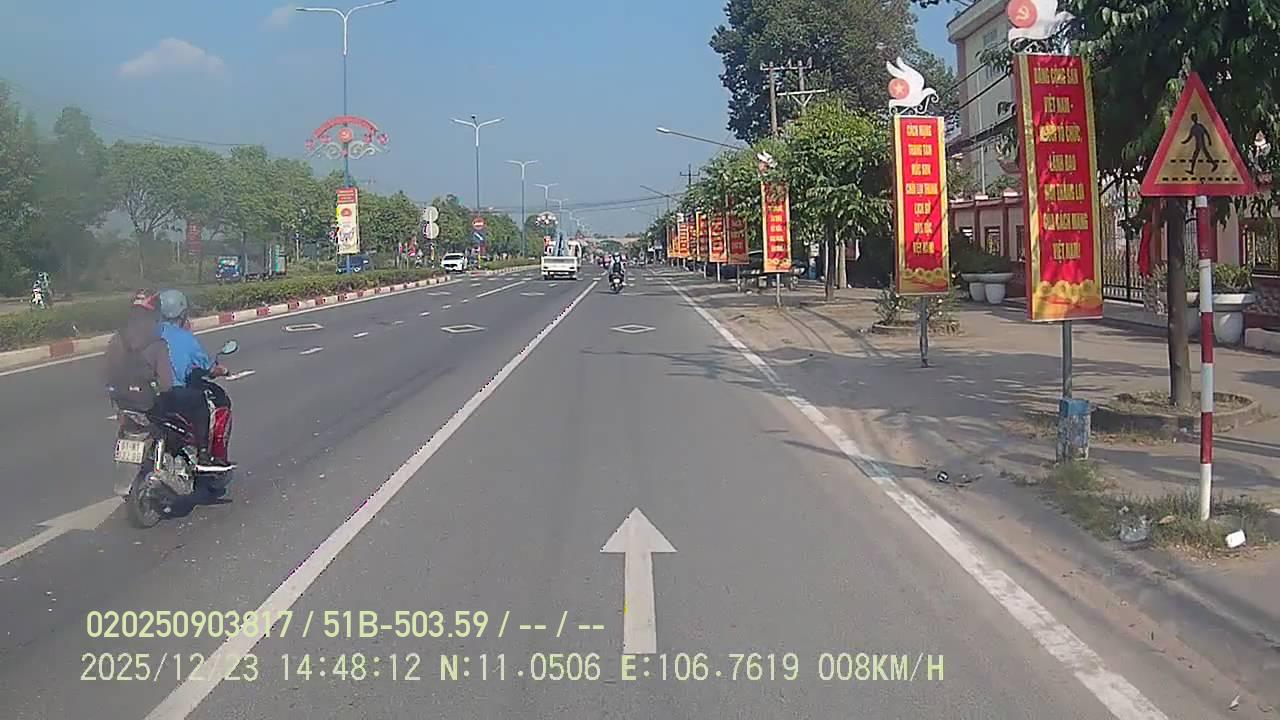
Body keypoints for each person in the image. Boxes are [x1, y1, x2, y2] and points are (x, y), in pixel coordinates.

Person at [156, 289, 231, 468]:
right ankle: (203, 454)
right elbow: (207, 367)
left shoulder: (151, 333)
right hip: (173, 393)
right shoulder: (185, 338)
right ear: (182, 313)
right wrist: (221, 370)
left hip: (150, 394)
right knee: (200, 402)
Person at [105, 290, 171, 411]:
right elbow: (166, 385)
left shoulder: (117, 338)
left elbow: (108, 374)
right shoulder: (158, 344)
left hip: (121, 402)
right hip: (149, 405)